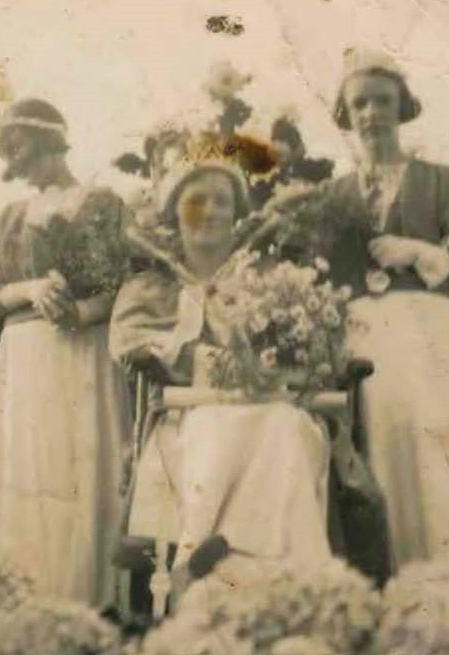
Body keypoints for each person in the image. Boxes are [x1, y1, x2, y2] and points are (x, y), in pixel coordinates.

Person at [303, 48, 449, 568]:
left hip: (425, 334)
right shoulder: (332, 195)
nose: (371, 113)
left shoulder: (440, 181)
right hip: (362, 339)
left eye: (382, 101)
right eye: (360, 103)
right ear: (346, 114)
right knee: (380, 458)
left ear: (402, 106)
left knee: (439, 462)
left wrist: (418, 252)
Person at [109, 156, 332, 590]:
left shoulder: (266, 279)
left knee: (289, 427)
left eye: (221, 202)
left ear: (237, 212)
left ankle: (284, 582)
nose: (209, 211)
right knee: (213, 431)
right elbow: (130, 346)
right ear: (174, 212)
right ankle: (206, 573)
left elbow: (301, 348)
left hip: (267, 407)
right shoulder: (150, 288)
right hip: (187, 412)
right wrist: (190, 349)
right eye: (196, 201)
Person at [0, 98, 132, 607]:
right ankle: (28, 603)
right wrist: (29, 290)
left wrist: (81, 313)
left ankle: (94, 600)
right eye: (9, 152)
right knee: (31, 472)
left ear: (47, 140)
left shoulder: (104, 204)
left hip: (87, 351)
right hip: (27, 356)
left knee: (87, 464)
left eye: (21, 147)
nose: (16, 162)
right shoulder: (10, 218)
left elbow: (131, 285)